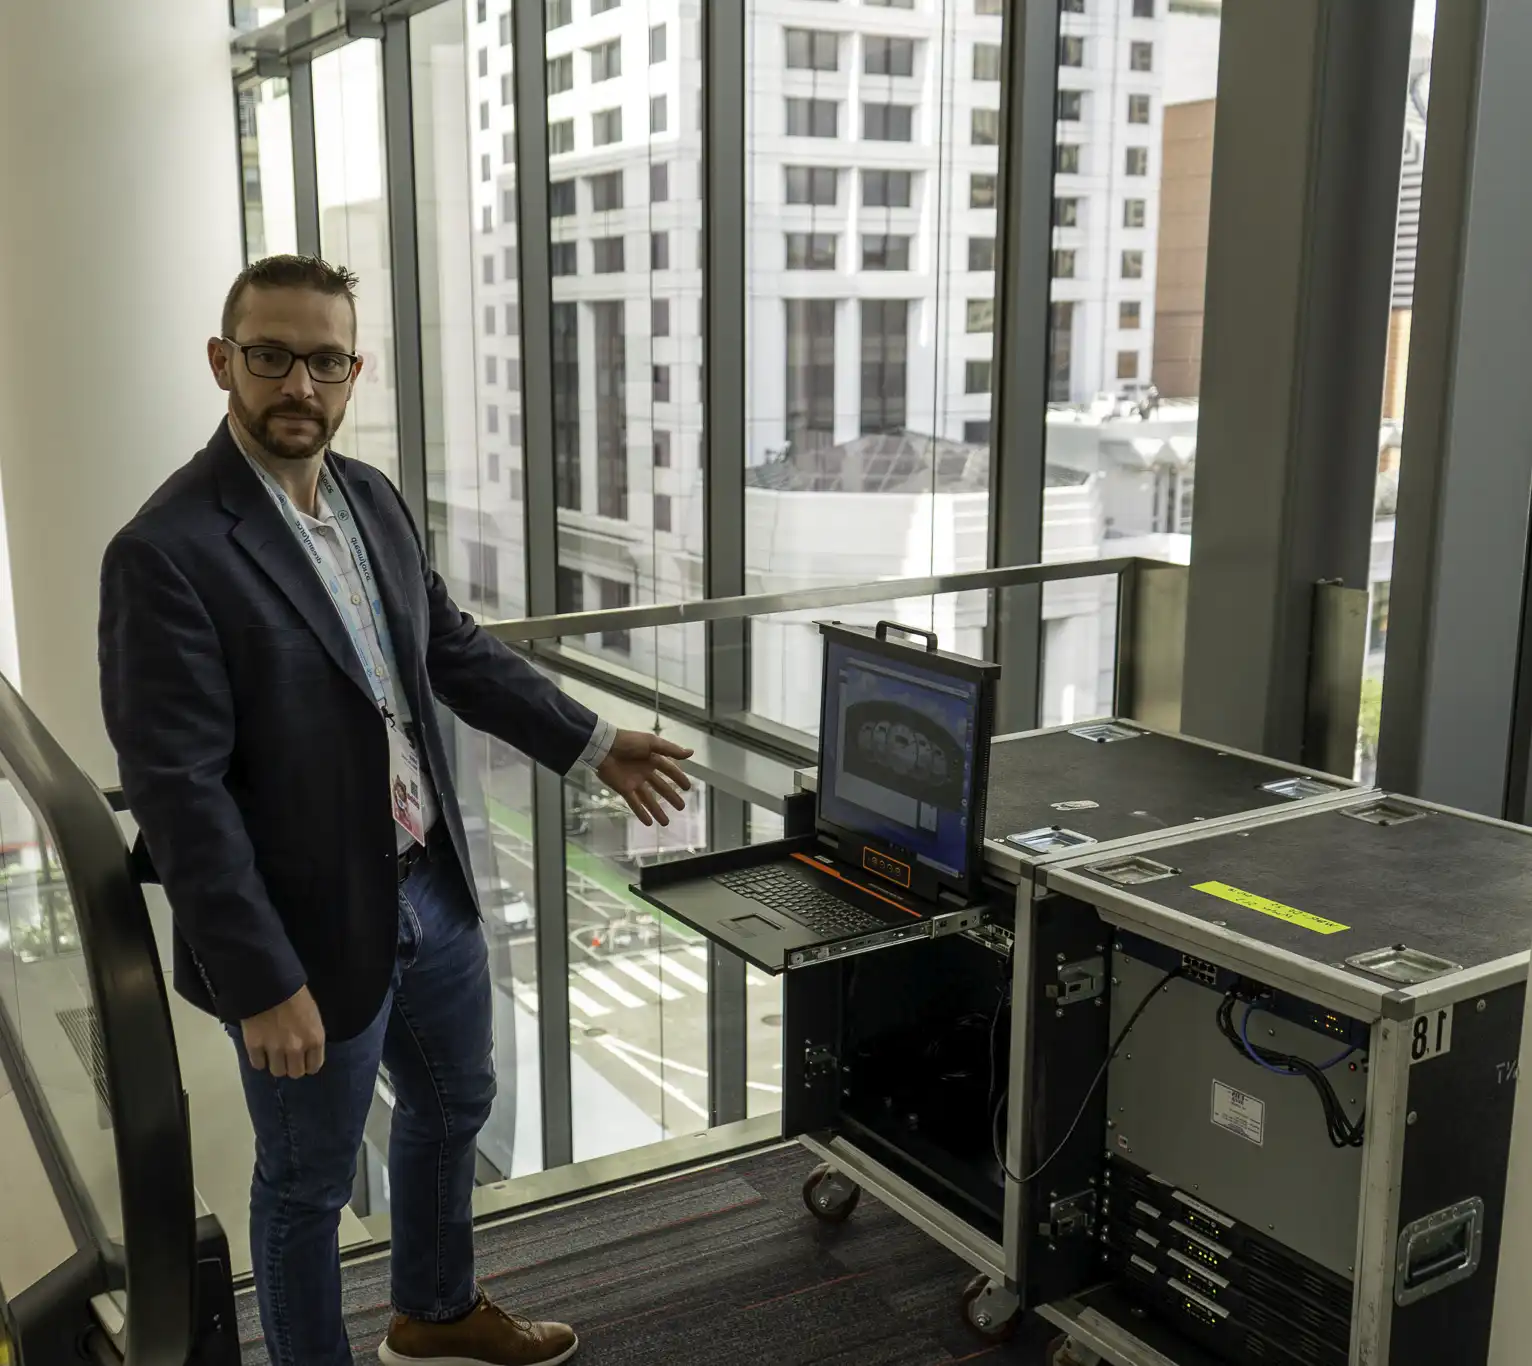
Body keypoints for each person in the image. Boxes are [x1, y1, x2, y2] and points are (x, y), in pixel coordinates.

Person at [98, 255, 693, 1366]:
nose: (299, 387)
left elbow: (450, 650)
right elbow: (179, 793)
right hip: (298, 933)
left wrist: (593, 743)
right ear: (223, 362)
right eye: (271, 357)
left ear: (353, 369)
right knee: (307, 1183)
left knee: (456, 1098)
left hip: (429, 881)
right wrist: (259, 979)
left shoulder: (371, 498)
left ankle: (432, 1307)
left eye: (325, 361)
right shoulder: (166, 550)